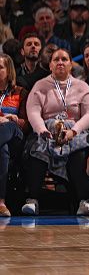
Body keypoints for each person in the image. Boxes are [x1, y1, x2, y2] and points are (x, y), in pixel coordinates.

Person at [23, 49, 89, 216]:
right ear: (50, 65)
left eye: (64, 59)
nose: (60, 62)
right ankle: (32, 200)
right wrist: (42, 130)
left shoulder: (82, 86)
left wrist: (73, 132)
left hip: (75, 131)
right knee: (38, 148)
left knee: (79, 151)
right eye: (56, 59)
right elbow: (33, 112)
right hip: (47, 130)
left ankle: (83, 201)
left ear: (71, 64)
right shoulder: (40, 86)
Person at [0, 55, 29, 217]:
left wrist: (15, 120)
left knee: (9, 125)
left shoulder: (21, 92)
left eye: (0, 67)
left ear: (9, 70)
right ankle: (1, 202)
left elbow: (28, 124)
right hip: (3, 143)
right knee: (2, 150)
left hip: (16, 138)